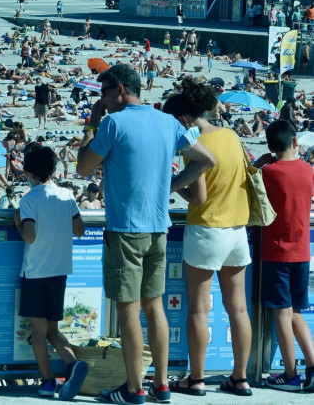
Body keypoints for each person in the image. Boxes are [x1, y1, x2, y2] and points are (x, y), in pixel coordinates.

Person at [75, 64, 215, 404]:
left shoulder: (113, 123)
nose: (103, 100)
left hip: (126, 230)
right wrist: (172, 183)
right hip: (158, 227)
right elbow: (205, 159)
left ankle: (134, 388)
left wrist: (92, 123)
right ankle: (162, 385)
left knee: (128, 310)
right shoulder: (166, 121)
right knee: (155, 308)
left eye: (104, 93)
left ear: (120, 89)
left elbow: (82, 166)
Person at [161, 79, 253, 396]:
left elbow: (198, 198)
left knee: (199, 309)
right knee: (238, 309)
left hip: (206, 229)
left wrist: (172, 185)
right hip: (237, 230)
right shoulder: (231, 136)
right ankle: (240, 378)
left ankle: (196, 379)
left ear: (184, 120)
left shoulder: (193, 145)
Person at [13, 143, 89, 400]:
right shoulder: (66, 195)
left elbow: (30, 237)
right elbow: (80, 229)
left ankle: (47, 382)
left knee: (38, 331)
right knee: (53, 329)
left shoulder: (29, 199)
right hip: (59, 271)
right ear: (54, 169)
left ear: (27, 173)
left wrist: (17, 221)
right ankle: (73, 364)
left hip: (35, 272)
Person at [256, 119, 314, 392]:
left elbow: (249, 183)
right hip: (302, 250)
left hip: (277, 251)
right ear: (295, 142)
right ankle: (311, 365)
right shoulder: (308, 170)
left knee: (281, 311)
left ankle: (290, 374)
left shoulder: (268, 172)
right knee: (296, 312)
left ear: (270, 146)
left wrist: (259, 162)